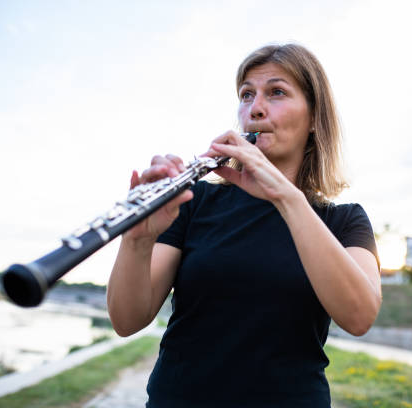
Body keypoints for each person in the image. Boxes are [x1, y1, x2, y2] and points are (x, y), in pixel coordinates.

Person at [107, 43, 381, 407]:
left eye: (277, 92)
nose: (255, 109)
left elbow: (360, 316)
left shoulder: (344, 220)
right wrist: (137, 241)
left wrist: (287, 198)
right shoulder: (194, 202)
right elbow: (126, 320)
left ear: (315, 118)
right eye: (246, 95)